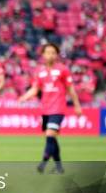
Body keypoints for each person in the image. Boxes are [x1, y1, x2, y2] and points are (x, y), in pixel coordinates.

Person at [18, 43, 82, 174]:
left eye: (53, 52)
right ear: (43, 55)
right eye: (48, 52)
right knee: (52, 138)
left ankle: (43, 163)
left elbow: (70, 89)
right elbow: (35, 89)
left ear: (57, 55)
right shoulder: (39, 72)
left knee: (49, 134)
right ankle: (59, 167)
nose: (50, 55)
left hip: (58, 109)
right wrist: (23, 97)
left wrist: (77, 105)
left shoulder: (63, 69)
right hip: (45, 110)